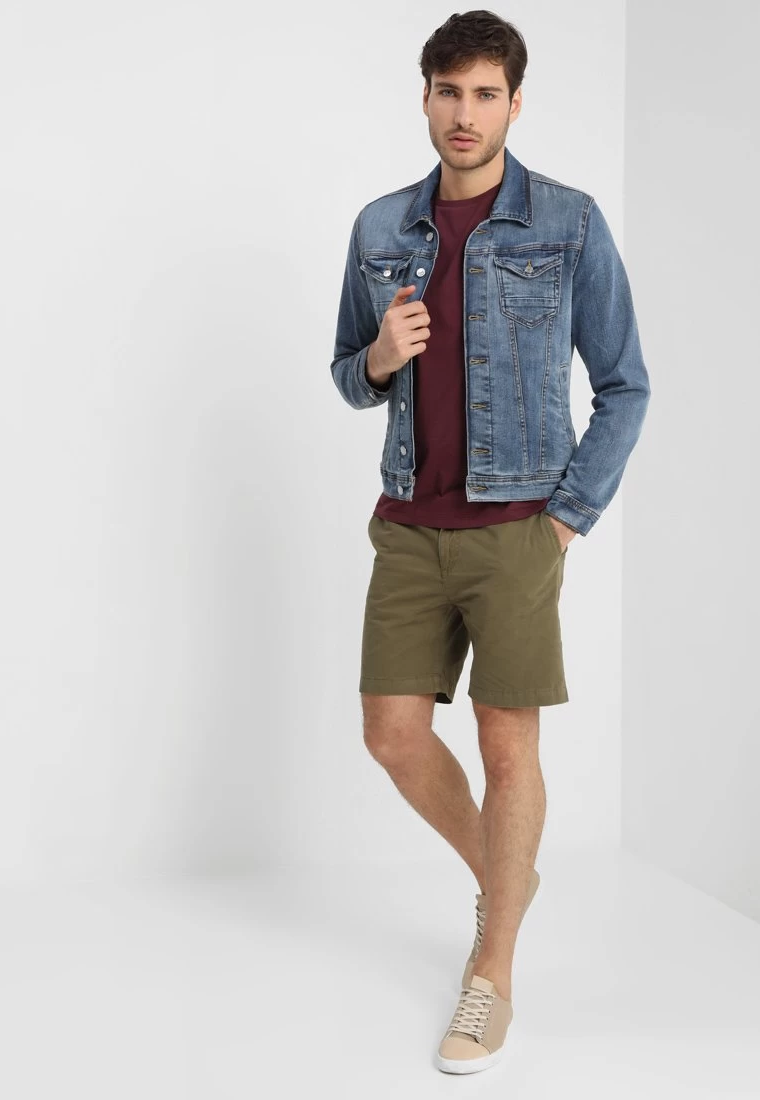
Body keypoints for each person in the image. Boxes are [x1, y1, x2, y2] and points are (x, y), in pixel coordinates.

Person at [329, 10, 650, 1076]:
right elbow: (347, 374)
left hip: (517, 527)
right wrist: (380, 356)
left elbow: (625, 384)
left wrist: (566, 517)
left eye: (484, 94)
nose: (464, 114)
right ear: (424, 97)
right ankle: (508, 875)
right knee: (391, 735)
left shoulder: (568, 221)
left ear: (514, 103)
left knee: (509, 751)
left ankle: (492, 968)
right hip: (408, 522)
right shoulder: (380, 227)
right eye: (448, 92)